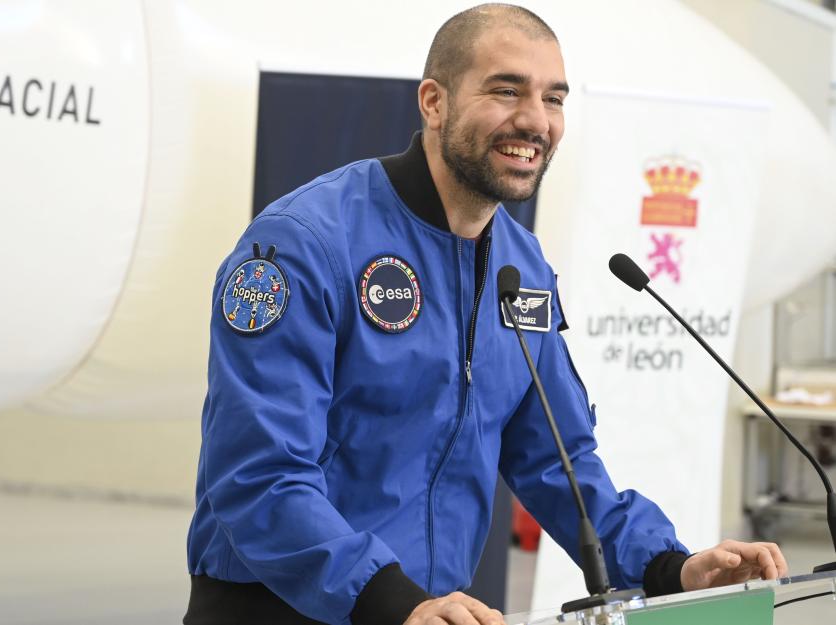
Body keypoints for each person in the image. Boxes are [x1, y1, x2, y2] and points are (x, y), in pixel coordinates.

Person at [184, 5, 787, 625]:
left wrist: (668, 567)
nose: (535, 120)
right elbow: (261, 475)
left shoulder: (521, 268)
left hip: (434, 612)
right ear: (434, 102)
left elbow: (558, 460)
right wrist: (394, 603)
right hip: (288, 609)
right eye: (506, 90)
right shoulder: (304, 244)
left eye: (553, 99)